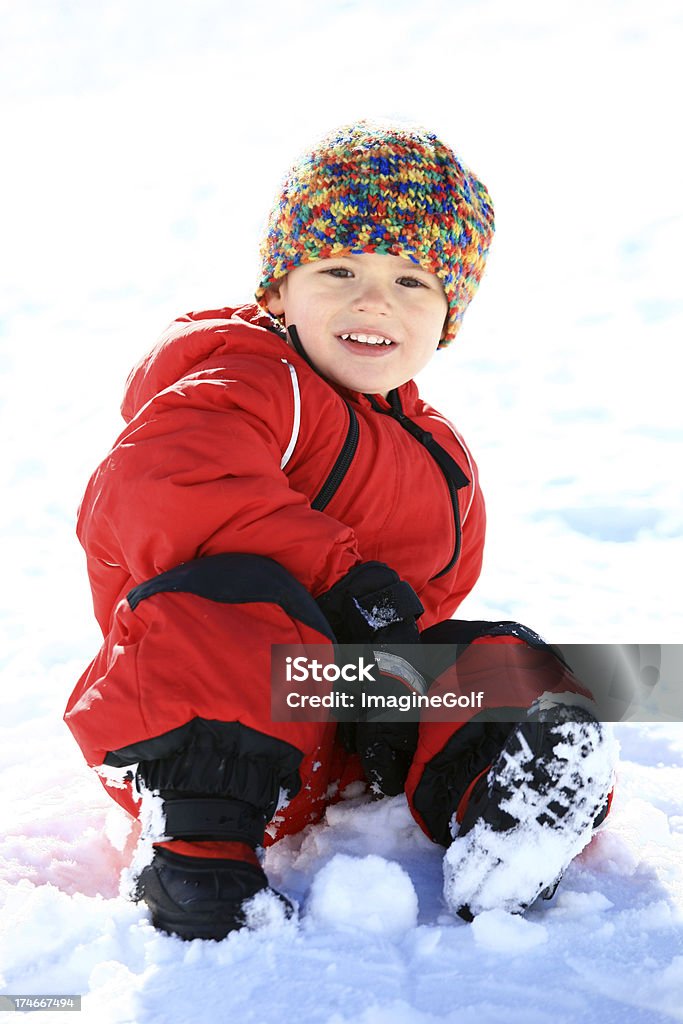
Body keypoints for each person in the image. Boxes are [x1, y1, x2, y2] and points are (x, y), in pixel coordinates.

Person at [64, 120, 614, 940]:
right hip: (205, 732)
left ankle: (511, 809)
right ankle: (198, 858)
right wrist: (339, 579)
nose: (372, 300)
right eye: (339, 268)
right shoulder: (250, 378)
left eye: (411, 281)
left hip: (348, 727)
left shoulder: (439, 454)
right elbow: (162, 485)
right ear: (278, 291)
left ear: (447, 319)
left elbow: (421, 611)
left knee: (496, 657)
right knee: (223, 606)